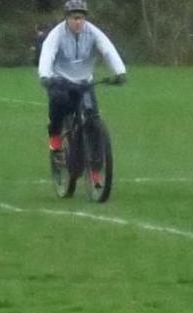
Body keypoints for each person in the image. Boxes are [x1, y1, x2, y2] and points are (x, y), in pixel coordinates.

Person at [37, 0, 125, 189]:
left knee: (93, 121)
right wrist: (45, 76)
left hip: (85, 80)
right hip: (60, 79)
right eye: (74, 18)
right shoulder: (57, 35)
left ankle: (94, 171)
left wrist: (120, 72)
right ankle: (55, 140)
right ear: (66, 18)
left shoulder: (92, 32)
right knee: (59, 102)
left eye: (81, 18)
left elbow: (108, 50)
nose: (78, 22)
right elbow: (47, 54)